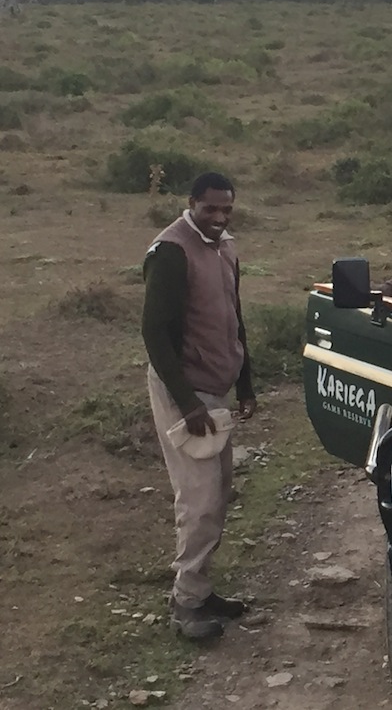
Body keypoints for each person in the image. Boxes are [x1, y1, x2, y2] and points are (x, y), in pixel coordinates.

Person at [142, 171, 255, 641]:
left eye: (226, 209)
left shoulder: (223, 246)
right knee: (199, 497)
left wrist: (246, 384)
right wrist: (187, 403)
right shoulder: (171, 251)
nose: (218, 218)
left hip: (217, 386)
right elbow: (154, 331)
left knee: (219, 489)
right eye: (210, 209)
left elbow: (234, 315)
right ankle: (187, 601)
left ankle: (201, 590)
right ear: (191, 203)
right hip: (185, 389)